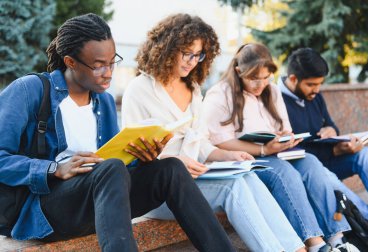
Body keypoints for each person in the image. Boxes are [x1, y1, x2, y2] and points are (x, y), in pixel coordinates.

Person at [0, 13, 236, 252]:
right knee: (110, 168)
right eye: (99, 65)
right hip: (48, 209)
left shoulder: (103, 101)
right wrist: (54, 169)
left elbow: (116, 167)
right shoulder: (30, 90)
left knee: (171, 168)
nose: (109, 72)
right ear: (70, 62)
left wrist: (144, 157)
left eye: (112, 62)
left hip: (100, 202)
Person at [122, 13, 305, 252]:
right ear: (166, 48)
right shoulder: (139, 90)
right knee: (233, 188)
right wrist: (175, 160)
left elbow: (202, 145)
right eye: (186, 52)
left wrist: (229, 156)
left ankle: (296, 248)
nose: (192, 61)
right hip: (162, 192)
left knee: (247, 176)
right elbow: (132, 155)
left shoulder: (193, 88)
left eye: (198, 55)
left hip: (198, 180)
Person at [203, 43, 368, 251]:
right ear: (239, 71)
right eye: (254, 79)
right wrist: (263, 150)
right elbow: (218, 140)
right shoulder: (220, 94)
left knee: (311, 163)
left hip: (276, 152)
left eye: (265, 78)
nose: (260, 85)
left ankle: (337, 239)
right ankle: (315, 243)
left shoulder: (271, 91)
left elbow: (285, 128)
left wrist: (286, 138)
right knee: (284, 173)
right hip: (244, 158)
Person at [279, 47, 368, 217]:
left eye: (319, 84)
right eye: (311, 85)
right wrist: (333, 150)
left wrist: (331, 130)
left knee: (366, 155)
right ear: (293, 79)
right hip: (305, 169)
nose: (317, 90)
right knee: (327, 177)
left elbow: (331, 124)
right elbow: (291, 152)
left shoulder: (314, 96)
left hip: (328, 159)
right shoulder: (276, 101)